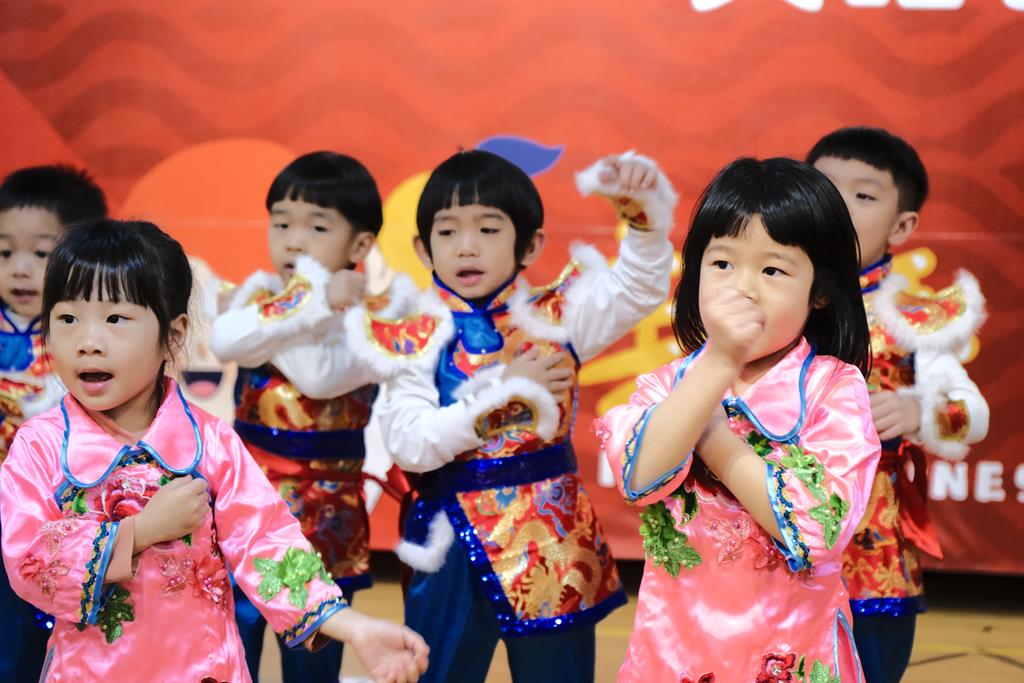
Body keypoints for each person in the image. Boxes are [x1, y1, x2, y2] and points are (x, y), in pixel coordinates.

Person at [0, 218, 428, 682]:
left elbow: (265, 540)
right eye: (67, 319)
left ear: (174, 334)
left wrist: (352, 626)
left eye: (115, 319)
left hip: (204, 669)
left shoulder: (213, 444)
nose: (87, 343)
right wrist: (139, 532)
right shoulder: (40, 446)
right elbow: (28, 560)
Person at [346, 148, 677, 682]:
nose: (467, 246)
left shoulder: (557, 317)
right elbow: (411, 445)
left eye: (488, 229)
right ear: (423, 248)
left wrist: (642, 215)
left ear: (530, 245)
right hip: (450, 544)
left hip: (554, 545)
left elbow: (639, 286)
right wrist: (503, 393)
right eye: (448, 231)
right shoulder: (415, 334)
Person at [597, 157, 881, 682]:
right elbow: (638, 477)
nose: (742, 288)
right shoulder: (666, 385)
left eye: (772, 270)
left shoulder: (833, 388)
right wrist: (718, 365)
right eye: (723, 264)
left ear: (819, 291)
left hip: (790, 654)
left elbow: (816, 530)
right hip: (673, 656)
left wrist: (711, 436)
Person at [210, 151, 417, 683]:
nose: (294, 242)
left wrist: (277, 322)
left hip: (326, 517)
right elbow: (223, 341)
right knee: (231, 647)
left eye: (317, 227)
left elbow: (319, 378)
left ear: (360, 246)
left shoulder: (375, 317)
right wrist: (313, 297)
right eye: (281, 223)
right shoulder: (259, 293)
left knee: (315, 652)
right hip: (243, 510)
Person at [808, 126, 989, 683]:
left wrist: (917, 410)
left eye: (862, 195)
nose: (838, 206)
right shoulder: (768, 296)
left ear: (902, 225)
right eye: (824, 188)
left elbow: (972, 412)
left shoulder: (909, 317)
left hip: (870, 534)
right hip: (776, 522)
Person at [0, 164, 107, 683]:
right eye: (4, 253)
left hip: (55, 515)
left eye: (41, 254)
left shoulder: (87, 338)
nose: (21, 270)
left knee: (42, 632)